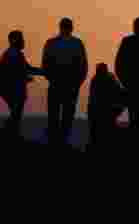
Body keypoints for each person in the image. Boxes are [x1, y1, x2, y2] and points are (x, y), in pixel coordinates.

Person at [42, 17, 88, 146]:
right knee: (67, 116)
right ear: (71, 28)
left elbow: (45, 65)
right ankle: (62, 142)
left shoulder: (51, 43)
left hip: (56, 84)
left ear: (60, 27)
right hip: (71, 85)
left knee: (54, 115)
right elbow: (83, 66)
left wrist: (51, 78)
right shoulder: (77, 44)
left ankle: (54, 143)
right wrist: (78, 83)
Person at [1, 30, 44, 139]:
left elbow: (26, 69)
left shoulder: (13, 53)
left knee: (15, 114)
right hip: (13, 90)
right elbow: (14, 72)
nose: (24, 41)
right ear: (14, 40)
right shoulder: (12, 54)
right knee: (16, 114)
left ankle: (11, 135)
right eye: (21, 39)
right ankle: (11, 136)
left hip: (12, 89)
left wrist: (43, 72)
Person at [87, 63, 124, 148]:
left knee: (96, 134)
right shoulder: (109, 79)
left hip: (97, 111)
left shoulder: (96, 80)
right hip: (103, 111)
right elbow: (119, 92)